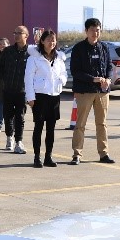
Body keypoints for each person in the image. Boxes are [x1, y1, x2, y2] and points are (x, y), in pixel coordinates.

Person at [69, 17, 114, 164]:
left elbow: (109, 66)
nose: (95, 33)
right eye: (93, 30)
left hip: (102, 92)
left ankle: (104, 153)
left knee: (102, 124)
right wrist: (93, 79)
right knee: (80, 124)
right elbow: (75, 71)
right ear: (86, 31)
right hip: (84, 91)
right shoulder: (78, 48)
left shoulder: (104, 47)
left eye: (98, 30)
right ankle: (77, 154)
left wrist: (108, 79)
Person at [25, 29, 68, 168]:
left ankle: (48, 157)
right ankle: (37, 157)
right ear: (42, 41)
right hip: (40, 96)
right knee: (38, 127)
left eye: (53, 40)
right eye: (48, 39)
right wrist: (30, 97)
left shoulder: (59, 58)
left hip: (54, 95)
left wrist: (61, 80)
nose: (51, 42)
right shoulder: (34, 58)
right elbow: (28, 78)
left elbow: (64, 73)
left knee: (51, 128)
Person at [0, 25, 31, 154]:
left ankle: (19, 141)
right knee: (8, 116)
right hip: (8, 89)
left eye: (19, 33)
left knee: (20, 117)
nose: (16, 35)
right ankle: (9, 137)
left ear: (26, 36)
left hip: (22, 90)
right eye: (15, 33)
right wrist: (0, 81)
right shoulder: (8, 51)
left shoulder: (31, 52)